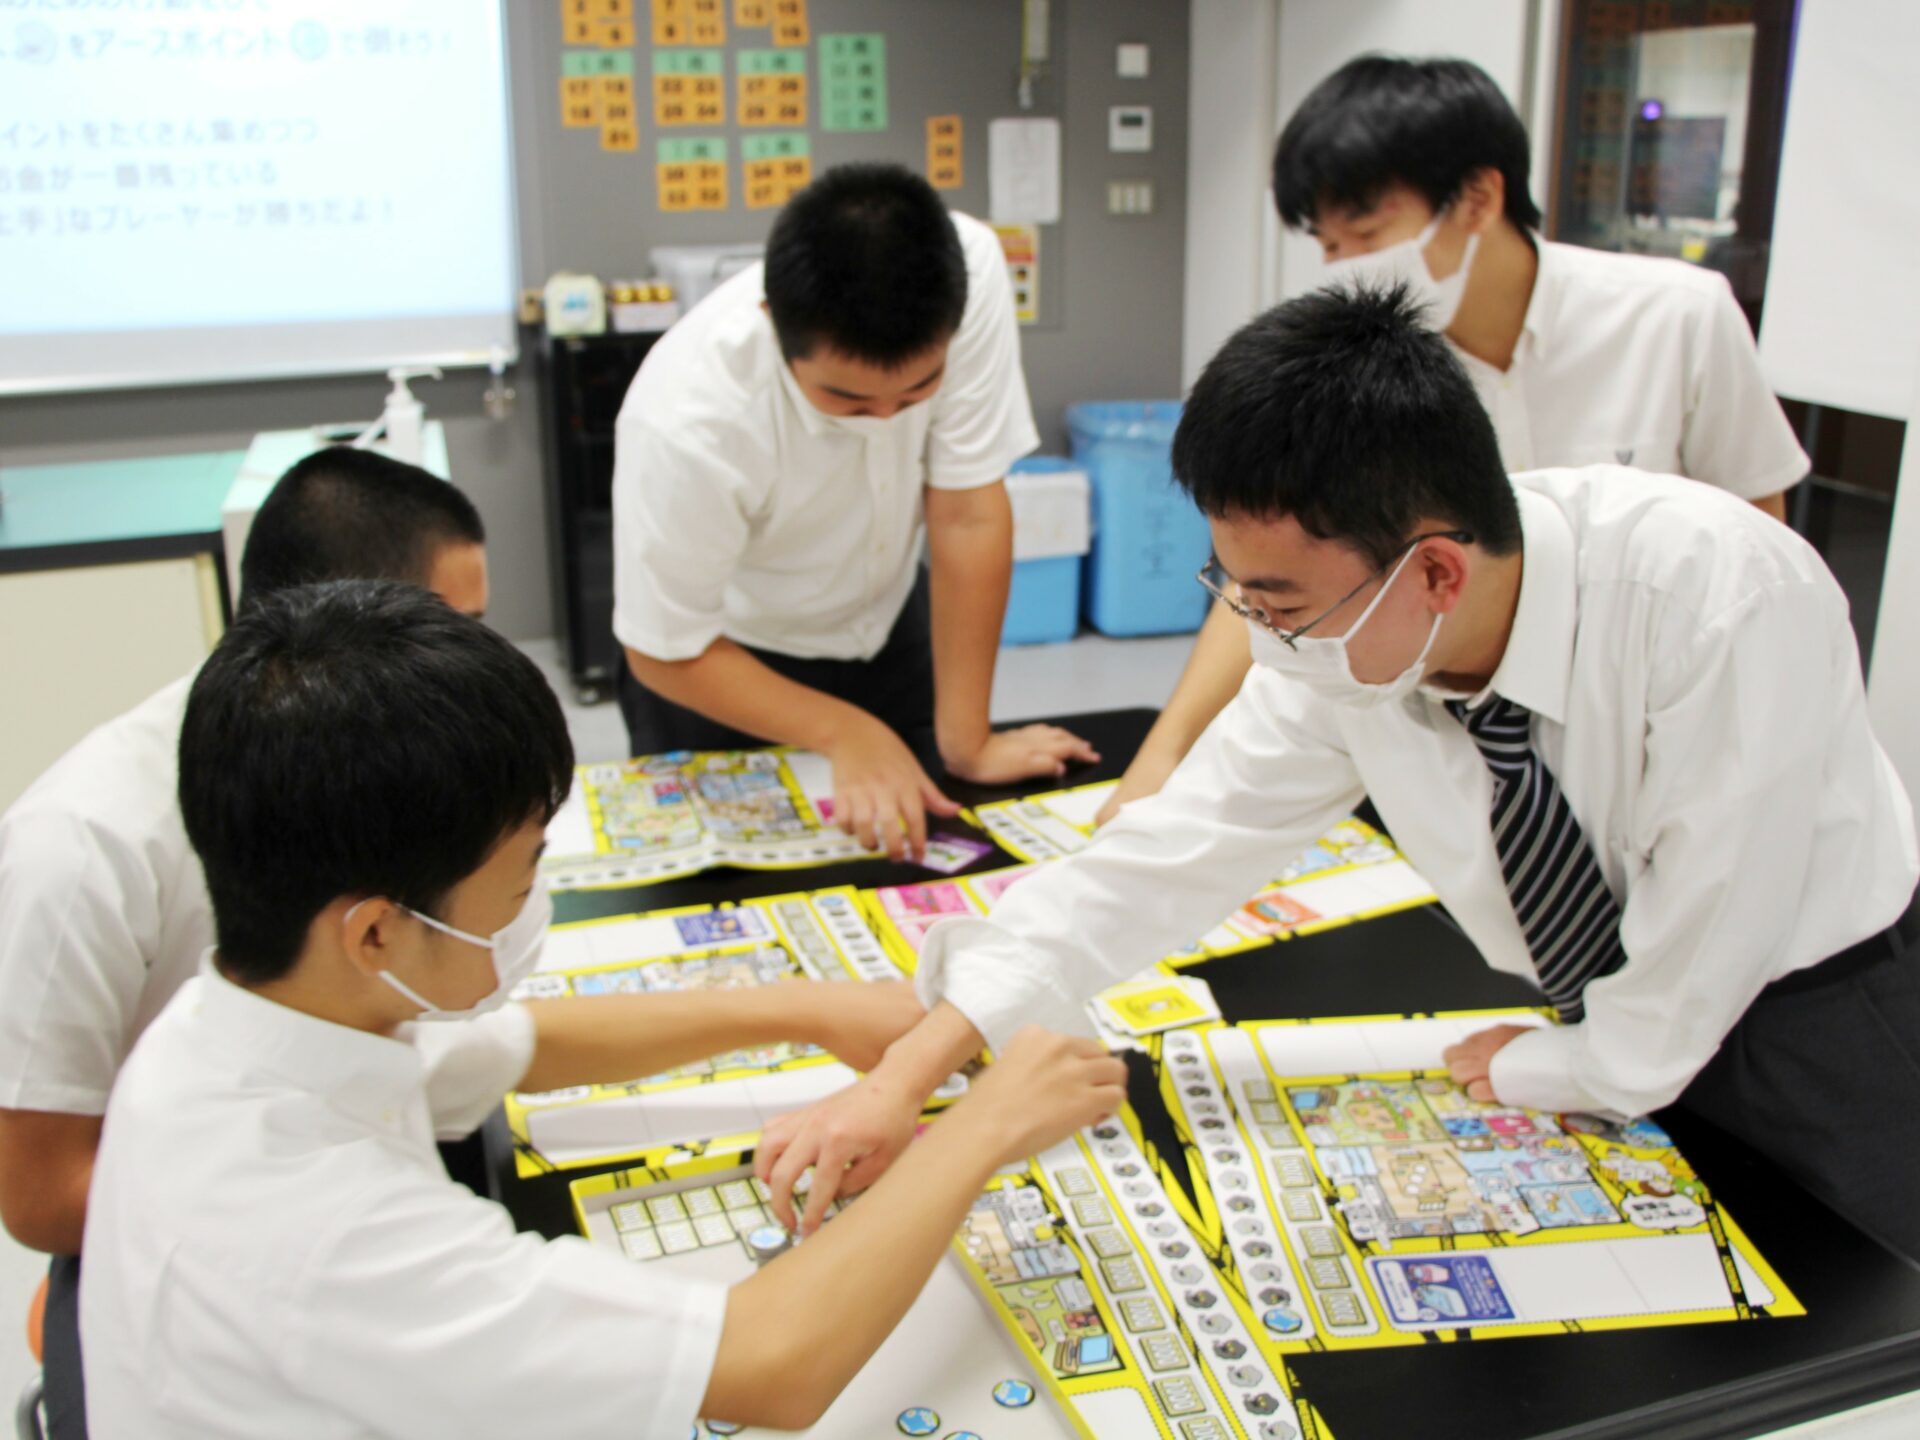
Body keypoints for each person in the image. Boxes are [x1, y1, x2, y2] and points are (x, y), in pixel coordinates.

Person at [753, 285, 1920, 1259]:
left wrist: (1581, 1063)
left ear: (1437, 573)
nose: (1261, 639)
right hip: (1592, 1013)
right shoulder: (1348, 650)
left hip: (1808, 1015)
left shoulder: (1720, 600)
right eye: (1237, 593)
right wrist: (906, 1073)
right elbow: (1163, 858)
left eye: (1280, 604)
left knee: (1865, 1306)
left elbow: (1719, 909)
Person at [79, 580, 1127, 1438]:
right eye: (521, 875)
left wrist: (803, 1006)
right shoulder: (329, 1238)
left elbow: (521, 1045)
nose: (534, 901)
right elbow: (771, 1366)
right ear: (377, 934)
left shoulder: (236, 1024)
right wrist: (983, 1129)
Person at [1096, 54, 1810, 826]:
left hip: (1644, 723)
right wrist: (1165, 755)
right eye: (1328, 245)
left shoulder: (1676, 319)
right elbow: (1276, 576)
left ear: (1479, 197)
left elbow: (1754, 542)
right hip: (1443, 722)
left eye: (1366, 232)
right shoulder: (1363, 372)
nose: (1346, 268)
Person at [0, 445, 489, 1440]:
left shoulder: (379, 779)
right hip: (209, 1260)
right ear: (336, 637)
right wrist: (336, 1208)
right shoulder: (84, 846)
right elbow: (44, 1197)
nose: (489, 667)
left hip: (348, 1174)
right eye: (458, 634)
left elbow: (459, 1022)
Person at [613, 163, 1095, 861]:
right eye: (849, 400)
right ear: (773, 321)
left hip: (887, 620)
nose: (887, 417)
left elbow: (966, 510)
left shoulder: (970, 270)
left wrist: (969, 742)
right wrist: (846, 731)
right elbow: (664, 648)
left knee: (919, 862)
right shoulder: (687, 417)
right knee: (729, 893)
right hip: (726, 665)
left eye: (918, 390)